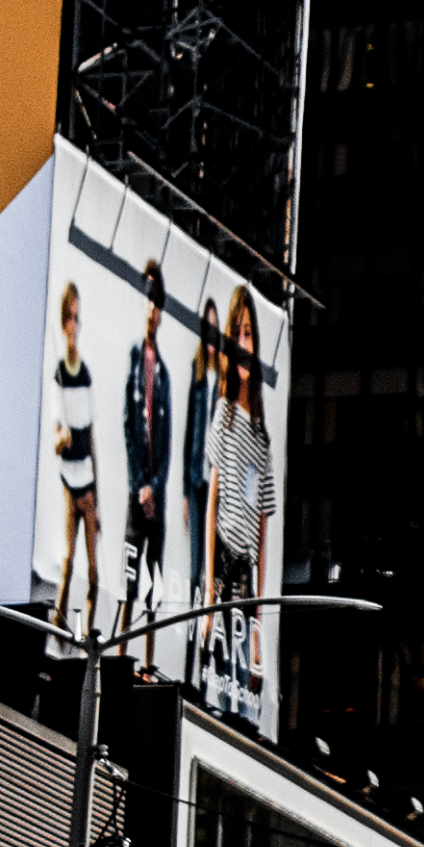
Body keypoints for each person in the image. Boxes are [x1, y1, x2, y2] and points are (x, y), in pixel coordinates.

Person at [207, 284, 275, 704]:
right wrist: (207, 587)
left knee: (238, 691)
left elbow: (263, 532)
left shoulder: (261, 437)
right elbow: (213, 500)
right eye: (238, 333)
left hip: (245, 570)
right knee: (215, 677)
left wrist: (259, 624)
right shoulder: (223, 415)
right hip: (222, 558)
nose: (243, 344)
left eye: (249, 333)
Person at [116, 259, 172, 651]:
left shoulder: (164, 372)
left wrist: (156, 486)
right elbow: (127, 424)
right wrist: (140, 486)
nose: (151, 308)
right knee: (127, 579)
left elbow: (166, 442)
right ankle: (118, 652)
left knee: (154, 580)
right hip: (139, 496)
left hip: (159, 497)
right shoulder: (136, 359)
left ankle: (148, 663)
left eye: (157, 300)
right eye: (146, 298)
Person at [49, 280, 99, 638]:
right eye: (69, 317)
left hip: (88, 479)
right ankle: (56, 627)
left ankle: (85, 634)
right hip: (71, 477)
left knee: (94, 572)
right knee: (68, 563)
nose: (73, 325)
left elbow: (91, 433)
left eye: (76, 317)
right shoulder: (60, 374)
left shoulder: (84, 372)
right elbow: (57, 433)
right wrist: (61, 440)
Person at [179, 294, 224, 673]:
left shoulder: (224, 387)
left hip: (217, 492)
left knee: (215, 579)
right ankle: (191, 658)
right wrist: (182, 490)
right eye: (205, 328)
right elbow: (187, 438)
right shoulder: (197, 380)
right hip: (196, 482)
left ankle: (208, 656)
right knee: (195, 573)